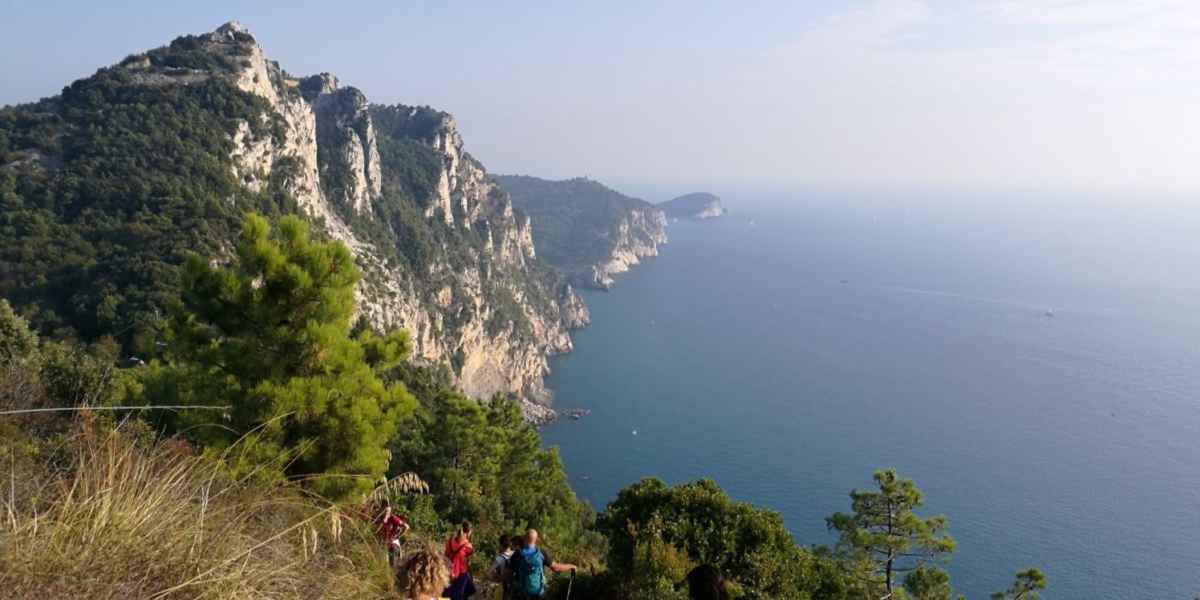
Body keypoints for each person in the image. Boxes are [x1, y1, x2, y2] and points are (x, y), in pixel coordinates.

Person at [505, 529, 577, 600]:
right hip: (538, 594)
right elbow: (556, 568)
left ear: (524, 538)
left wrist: (508, 590)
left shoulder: (517, 555)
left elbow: (508, 575)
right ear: (536, 540)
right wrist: (571, 566)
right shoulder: (541, 553)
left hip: (522, 594)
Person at [443, 521, 476, 600]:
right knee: (460, 596)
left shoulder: (450, 541)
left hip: (448, 572)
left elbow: (445, 555)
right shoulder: (468, 546)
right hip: (461, 575)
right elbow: (469, 563)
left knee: (447, 595)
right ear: (469, 532)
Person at [487, 534, 516, 600]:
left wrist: (496, 579)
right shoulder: (515, 554)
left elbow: (488, 573)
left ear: (501, 545)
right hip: (516, 588)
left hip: (505, 587)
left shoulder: (499, 558)